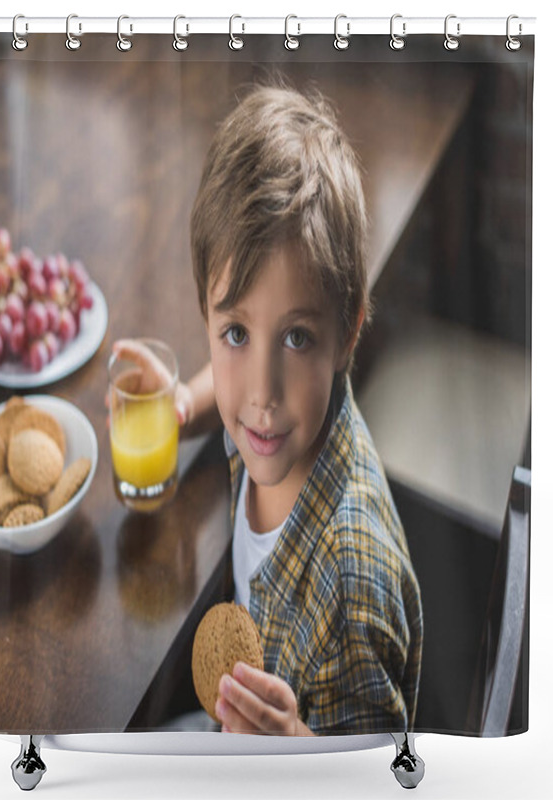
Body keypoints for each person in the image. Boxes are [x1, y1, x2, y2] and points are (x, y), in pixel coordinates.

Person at [111, 83, 422, 735]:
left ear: (348, 332)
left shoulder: (351, 586)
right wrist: (182, 402)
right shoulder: (272, 421)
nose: (260, 392)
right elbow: (234, 380)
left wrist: (295, 749)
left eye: (297, 337)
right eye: (235, 334)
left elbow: (375, 773)